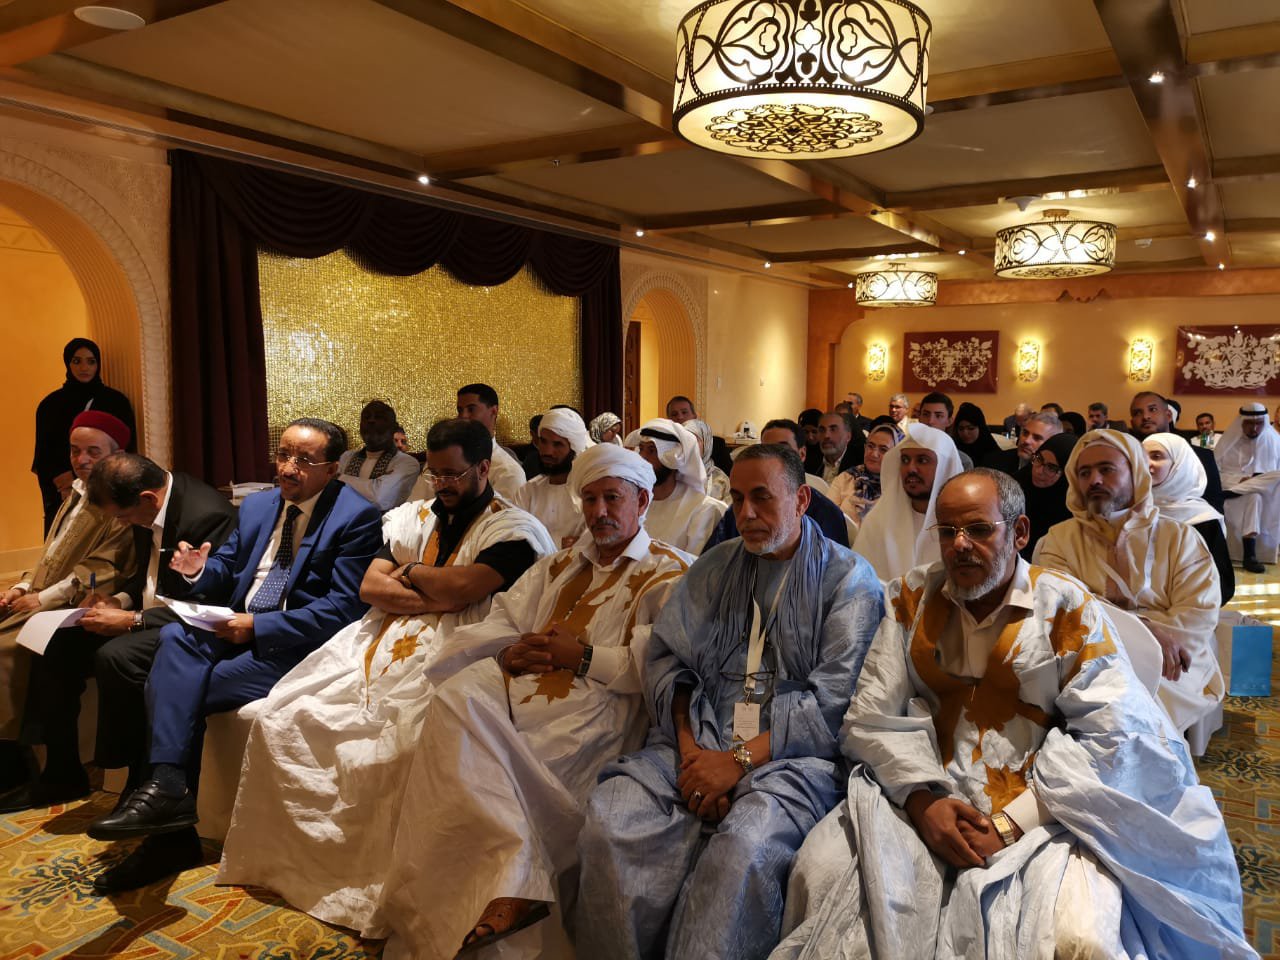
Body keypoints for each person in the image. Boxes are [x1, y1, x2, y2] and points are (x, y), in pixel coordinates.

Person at [773, 469, 1252, 960]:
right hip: (916, 787)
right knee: (819, 871)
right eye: (947, 531)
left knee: (1071, 937)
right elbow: (871, 714)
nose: (960, 545)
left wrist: (1010, 824)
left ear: (1019, 532)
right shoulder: (910, 596)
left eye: (979, 530)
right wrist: (922, 803)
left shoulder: (1065, 607)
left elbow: (1115, 734)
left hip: (1047, 808)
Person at [216, 418, 554, 934]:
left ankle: (377, 886)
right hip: (378, 637)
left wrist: (411, 572)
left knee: (397, 747)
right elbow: (371, 589)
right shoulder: (412, 517)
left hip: (463, 646)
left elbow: (466, 590)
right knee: (287, 714)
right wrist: (436, 591)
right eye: (434, 473)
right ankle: (292, 867)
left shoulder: (511, 530)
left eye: (453, 474)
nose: (441, 484)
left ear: (484, 468)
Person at [377, 443, 690, 958]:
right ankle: (499, 887)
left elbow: (665, 663)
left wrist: (582, 657)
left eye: (612, 498)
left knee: (513, 753)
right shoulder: (558, 565)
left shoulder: (672, 572)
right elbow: (501, 621)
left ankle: (509, 891)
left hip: (601, 703)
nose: (599, 512)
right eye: (590, 499)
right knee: (453, 697)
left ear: (642, 501)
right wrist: (509, 651)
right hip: (517, 684)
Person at [575, 444, 884, 960]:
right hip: (696, 740)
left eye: (762, 498)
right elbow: (669, 662)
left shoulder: (850, 580)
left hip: (791, 758)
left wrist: (734, 763)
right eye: (737, 499)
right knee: (611, 821)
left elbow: (835, 702)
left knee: (743, 847)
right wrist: (693, 756)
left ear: (801, 499)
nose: (746, 514)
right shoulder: (715, 566)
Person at [83, 419, 382, 893]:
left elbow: (343, 608)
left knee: (174, 690)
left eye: (304, 461)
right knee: (175, 638)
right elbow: (228, 567)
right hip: (234, 624)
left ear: (333, 468)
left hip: (293, 644)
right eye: (283, 455)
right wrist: (199, 572)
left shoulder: (357, 517)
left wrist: (259, 626)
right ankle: (167, 793)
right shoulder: (260, 505)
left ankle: (166, 820)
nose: (288, 468)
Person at [3, 453, 236, 815]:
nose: (120, 523)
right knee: (55, 642)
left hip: (189, 627)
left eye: (122, 516)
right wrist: (118, 599)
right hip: (146, 612)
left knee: (114, 656)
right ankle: (62, 771)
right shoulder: (147, 508)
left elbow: (207, 606)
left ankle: (134, 778)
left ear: (148, 499)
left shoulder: (207, 516)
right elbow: (146, 576)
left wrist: (131, 620)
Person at [1036, 430, 1223, 736]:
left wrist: (1150, 648)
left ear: (1136, 473)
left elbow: (1197, 613)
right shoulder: (1058, 539)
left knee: (1135, 697)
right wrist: (1145, 630)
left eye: (1106, 469)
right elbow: (1063, 607)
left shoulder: (1180, 538)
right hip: (1086, 652)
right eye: (1085, 473)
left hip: (1170, 654)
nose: (1094, 480)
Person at [0, 412, 136, 788]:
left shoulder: (120, 503)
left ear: (117, 454)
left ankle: (13, 764)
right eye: (75, 451)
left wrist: (41, 597)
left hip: (75, 605)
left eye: (93, 451)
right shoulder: (75, 494)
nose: (82, 459)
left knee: (5, 648)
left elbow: (103, 569)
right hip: (38, 598)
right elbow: (50, 555)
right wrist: (22, 588)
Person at [32, 337, 137, 536]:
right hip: (63, 489)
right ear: (67, 363)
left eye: (91, 361)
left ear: (98, 364)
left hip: (106, 486)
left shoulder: (115, 401)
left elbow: (126, 447)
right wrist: (65, 482)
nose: (84, 367)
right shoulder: (50, 405)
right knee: (64, 540)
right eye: (77, 361)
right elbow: (44, 453)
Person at [704, 422, 849, 550]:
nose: (747, 513)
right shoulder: (739, 510)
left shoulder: (825, 512)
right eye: (765, 451)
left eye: (763, 498)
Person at [854, 424, 964, 582]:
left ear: (944, 467)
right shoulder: (880, 520)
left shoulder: (964, 527)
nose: (911, 468)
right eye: (905, 460)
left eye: (922, 460)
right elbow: (861, 582)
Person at [1143, 432, 1234, 604]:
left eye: (1156, 456)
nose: (1146, 463)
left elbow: (1222, 585)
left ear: (1179, 464)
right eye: (1141, 457)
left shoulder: (1201, 518)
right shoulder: (1133, 511)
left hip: (1188, 610)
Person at [635, 418, 727, 553]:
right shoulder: (634, 503)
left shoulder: (703, 510)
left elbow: (693, 564)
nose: (642, 458)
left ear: (673, 459)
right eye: (641, 449)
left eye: (652, 451)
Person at [1129, 391, 1225, 513]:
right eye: (1137, 413)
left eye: (1152, 409)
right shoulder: (1125, 458)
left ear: (1169, 415)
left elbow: (1215, 504)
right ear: (1132, 423)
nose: (1145, 416)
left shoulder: (1202, 456)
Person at [1214, 402, 1280, 573]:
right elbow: (1214, 474)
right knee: (1254, 495)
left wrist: (1253, 481)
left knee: (1268, 482)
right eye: (1250, 423)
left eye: (1259, 424)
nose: (1254, 428)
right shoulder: (1227, 442)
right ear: (1241, 422)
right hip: (1232, 491)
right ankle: (1249, 554)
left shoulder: (1274, 441)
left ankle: (1252, 484)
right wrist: (1239, 480)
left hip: (1266, 494)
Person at [515, 407, 593, 547]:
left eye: (557, 444)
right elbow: (517, 537)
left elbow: (590, 546)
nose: (547, 451)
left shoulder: (589, 493)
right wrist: (559, 544)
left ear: (574, 448)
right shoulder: (528, 491)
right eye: (543, 441)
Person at [337, 400, 420, 512]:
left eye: (379, 417)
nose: (371, 421)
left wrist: (338, 478)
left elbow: (379, 499)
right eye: (366, 417)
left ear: (394, 428)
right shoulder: (346, 457)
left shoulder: (407, 463)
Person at [1015, 432, 1077, 561]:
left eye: (1051, 468)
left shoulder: (1074, 507)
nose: (1039, 471)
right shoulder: (1016, 484)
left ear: (1067, 473)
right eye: (1039, 459)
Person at [829, 423, 901, 523]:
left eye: (883, 450)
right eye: (870, 446)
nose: (874, 454)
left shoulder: (901, 488)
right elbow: (826, 515)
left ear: (897, 455)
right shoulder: (847, 477)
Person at [983, 411, 1061, 476]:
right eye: (1025, 433)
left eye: (1037, 438)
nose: (1026, 441)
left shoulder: (1053, 474)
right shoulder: (993, 463)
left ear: (1051, 443)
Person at [806, 412, 864, 486]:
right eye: (822, 430)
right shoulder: (809, 462)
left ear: (848, 436)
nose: (826, 436)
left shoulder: (859, 467)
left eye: (833, 429)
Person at [917, 392, 972, 469]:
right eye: (926, 414)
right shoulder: (905, 453)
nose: (930, 421)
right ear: (919, 418)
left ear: (949, 421)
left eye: (938, 416)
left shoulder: (961, 461)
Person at [685, 418, 730, 503]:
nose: (688, 444)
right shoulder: (673, 476)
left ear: (706, 443)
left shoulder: (721, 480)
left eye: (694, 439)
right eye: (684, 440)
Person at [951, 401, 999, 466]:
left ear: (981, 428)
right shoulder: (954, 449)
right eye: (961, 429)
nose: (965, 433)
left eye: (971, 428)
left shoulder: (992, 451)